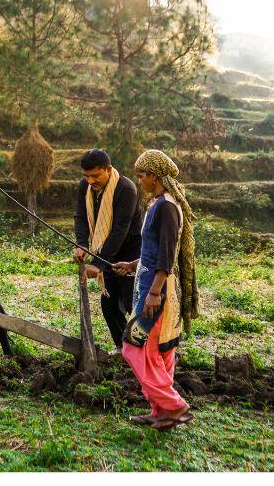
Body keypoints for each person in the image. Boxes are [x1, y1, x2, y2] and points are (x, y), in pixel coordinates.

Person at [112, 149, 199, 431]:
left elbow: (167, 256)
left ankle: (174, 406)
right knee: (160, 352)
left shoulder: (166, 207)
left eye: (141, 175)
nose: (139, 180)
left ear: (155, 176)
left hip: (156, 292)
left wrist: (154, 292)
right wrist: (133, 264)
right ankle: (160, 412)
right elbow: (155, 251)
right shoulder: (160, 204)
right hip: (154, 285)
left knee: (134, 346)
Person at [72, 149, 142, 352]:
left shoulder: (126, 189)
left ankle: (149, 350)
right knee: (109, 304)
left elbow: (120, 230)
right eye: (86, 176)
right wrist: (82, 244)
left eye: (95, 175)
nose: (91, 180)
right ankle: (124, 348)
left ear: (108, 170)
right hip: (105, 252)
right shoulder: (86, 186)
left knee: (132, 303)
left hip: (130, 253)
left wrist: (97, 263)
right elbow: (80, 215)